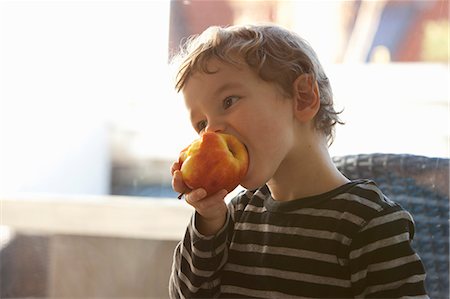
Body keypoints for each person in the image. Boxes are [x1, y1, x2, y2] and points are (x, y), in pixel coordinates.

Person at [168, 23, 428, 298]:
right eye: (201, 124)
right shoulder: (233, 218)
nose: (211, 134)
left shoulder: (368, 223)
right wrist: (208, 222)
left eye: (229, 101)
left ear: (303, 97)